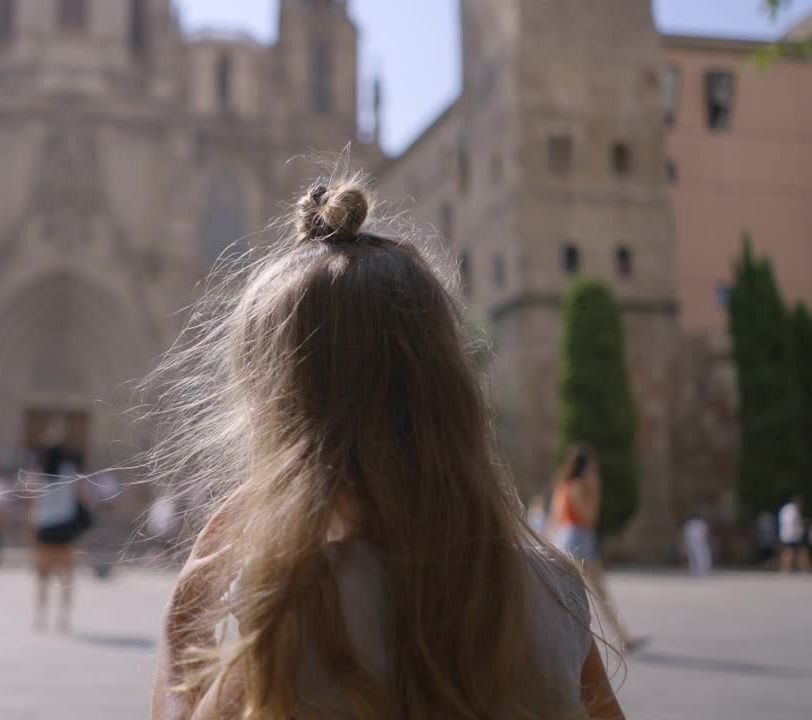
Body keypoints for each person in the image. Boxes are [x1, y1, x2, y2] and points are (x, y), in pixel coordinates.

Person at [149, 179, 623, 719]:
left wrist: (180, 639)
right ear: (454, 400)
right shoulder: (553, 592)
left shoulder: (293, 614)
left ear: (276, 421)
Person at [548, 444, 641, 652]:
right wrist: (595, 490)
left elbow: (554, 519)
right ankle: (622, 637)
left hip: (563, 538)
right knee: (599, 592)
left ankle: (622, 637)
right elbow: (589, 517)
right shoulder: (583, 486)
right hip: (580, 537)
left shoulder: (562, 486)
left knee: (566, 592)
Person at [28, 425, 91, 634]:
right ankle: (63, 617)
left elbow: (33, 502)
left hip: (44, 527)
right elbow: (82, 496)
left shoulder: (38, 474)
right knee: (66, 575)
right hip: (65, 526)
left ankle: (40, 616)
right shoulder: (69, 472)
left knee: (42, 575)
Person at [778, 496, 807, 574]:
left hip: (786, 535)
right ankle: (787, 569)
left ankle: (787, 569)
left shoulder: (786, 509)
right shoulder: (793, 510)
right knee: (791, 552)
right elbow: (791, 523)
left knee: (789, 552)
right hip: (791, 536)